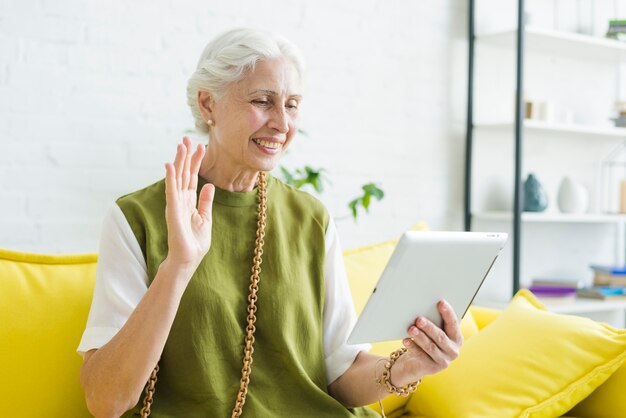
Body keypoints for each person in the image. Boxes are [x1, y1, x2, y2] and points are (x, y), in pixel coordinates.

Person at [77, 28, 463, 418]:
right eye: (263, 101)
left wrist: (409, 366)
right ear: (208, 104)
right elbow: (106, 401)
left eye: (292, 105)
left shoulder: (311, 218)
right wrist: (177, 266)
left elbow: (340, 375)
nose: (282, 124)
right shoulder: (135, 218)